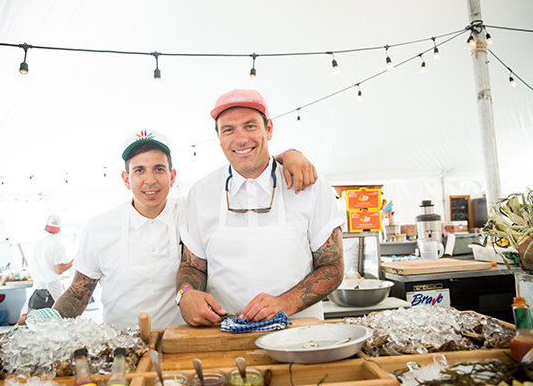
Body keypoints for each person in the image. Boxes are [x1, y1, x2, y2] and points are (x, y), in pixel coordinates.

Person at [19, 128, 316, 329]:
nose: (150, 180)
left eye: (159, 169)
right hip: (123, 350)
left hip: (184, 344)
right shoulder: (99, 228)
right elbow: (79, 293)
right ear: (126, 179)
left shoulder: (193, 209)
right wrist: (49, 319)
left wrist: (288, 154)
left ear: (172, 176)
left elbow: (247, 167)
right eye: (140, 170)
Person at [176, 89, 346, 327]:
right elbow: (192, 265)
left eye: (250, 126)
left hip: (300, 336)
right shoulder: (200, 194)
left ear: (269, 129)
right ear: (219, 137)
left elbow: (333, 266)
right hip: (221, 337)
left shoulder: (311, 186)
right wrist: (185, 294)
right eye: (228, 130)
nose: (241, 139)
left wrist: (285, 303)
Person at [28, 215, 74, 309]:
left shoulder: (38, 244)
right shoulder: (57, 244)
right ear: (59, 228)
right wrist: (74, 261)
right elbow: (59, 269)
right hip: (51, 290)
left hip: (37, 289)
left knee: (36, 320)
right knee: (60, 318)